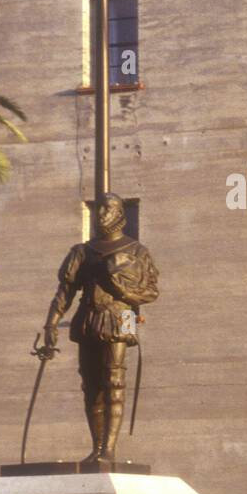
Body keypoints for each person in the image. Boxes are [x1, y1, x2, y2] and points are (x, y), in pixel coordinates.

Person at [41, 192, 159, 463]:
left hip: (122, 317)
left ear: (120, 214)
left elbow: (151, 292)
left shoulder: (136, 251)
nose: (101, 214)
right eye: (99, 209)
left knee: (115, 381)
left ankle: (109, 450)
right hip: (88, 319)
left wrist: (122, 289)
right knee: (91, 385)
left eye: (108, 209)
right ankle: (97, 449)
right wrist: (52, 322)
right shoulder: (81, 252)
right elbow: (65, 292)